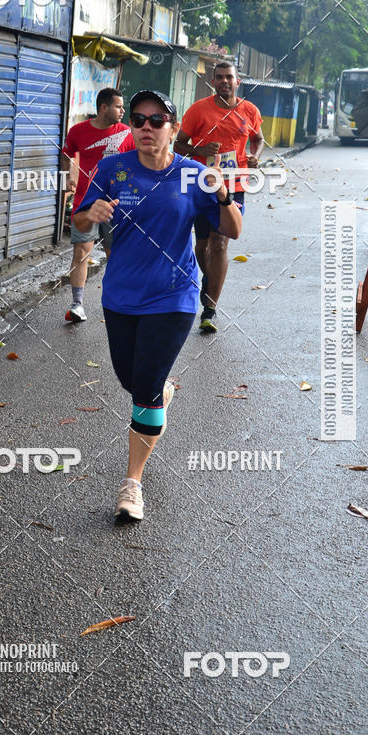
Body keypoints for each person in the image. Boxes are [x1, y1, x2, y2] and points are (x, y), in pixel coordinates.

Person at [73, 90, 242, 522]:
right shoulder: (111, 168)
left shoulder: (191, 174)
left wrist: (222, 193)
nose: (146, 127)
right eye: (139, 119)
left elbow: (233, 230)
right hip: (121, 295)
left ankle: (132, 483)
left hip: (174, 295)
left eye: (157, 120)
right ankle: (159, 394)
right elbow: (76, 219)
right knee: (132, 381)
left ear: (172, 128)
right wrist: (90, 213)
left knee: (144, 388)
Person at [174, 61, 263, 332]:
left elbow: (258, 139)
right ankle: (208, 279)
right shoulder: (199, 110)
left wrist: (253, 157)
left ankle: (210, 308)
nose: (225, 81)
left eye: (230, 77)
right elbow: (178, 144)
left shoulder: (249, 110)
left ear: (238, 82)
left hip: (234, 184)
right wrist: (200, 147)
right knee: (202, 246)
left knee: (220, 243)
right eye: (220, 77)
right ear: (213, 82)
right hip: (202, 182)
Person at [61, 87, 134, 322]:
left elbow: (138, 163)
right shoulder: (78, 131)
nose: (123, 110)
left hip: (117, 205)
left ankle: (117, 301)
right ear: (104, 107)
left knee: (116, 253)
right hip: (85, 202)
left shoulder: (127, 133)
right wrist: (66, 180)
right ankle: (77, 305)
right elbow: (66, 154)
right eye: (118, 106)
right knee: (81, 251)